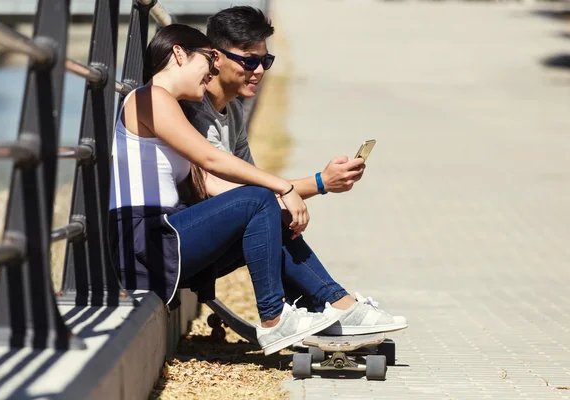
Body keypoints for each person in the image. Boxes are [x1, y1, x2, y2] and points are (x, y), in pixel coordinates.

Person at [108, 24, 400, 357]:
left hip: (166, 236)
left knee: (267, 210)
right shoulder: (149, 97)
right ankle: (275, 320)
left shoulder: (169, 105)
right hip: (146, 241)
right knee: (260, 200)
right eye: (208, 60)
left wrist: (284, 195)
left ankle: (333, 306)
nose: (212, 71)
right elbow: (209, 158)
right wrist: (282, 185)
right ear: (179, 53)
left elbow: (211, 182)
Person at [181, 6, 408, 335]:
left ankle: (328, 308)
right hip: (181, 246)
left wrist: (293, 195)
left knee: (274, 214)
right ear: (216, 58)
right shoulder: (194, 113)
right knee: (268, 208)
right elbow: (238, 192)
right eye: (249, 60)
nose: (259, 70)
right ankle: (316, 310)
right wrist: (320, 183)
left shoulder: (233, 111)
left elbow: (253, 187)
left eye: (266, 61)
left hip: (211, 238)